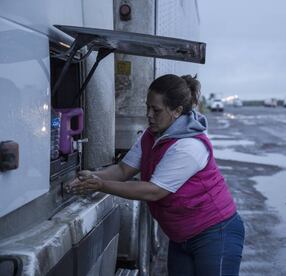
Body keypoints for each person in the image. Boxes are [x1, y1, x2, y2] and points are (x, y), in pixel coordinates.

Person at [69, 74, 245, 276]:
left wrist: (101, 185)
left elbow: (154, 191)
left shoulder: (189, 145)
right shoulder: (151, 136)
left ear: (177, 111)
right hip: (181, 236)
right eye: (147, 107)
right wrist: (92, 175)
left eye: (156, 110)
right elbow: (122, 170)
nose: (149, 115)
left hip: (215, 232)